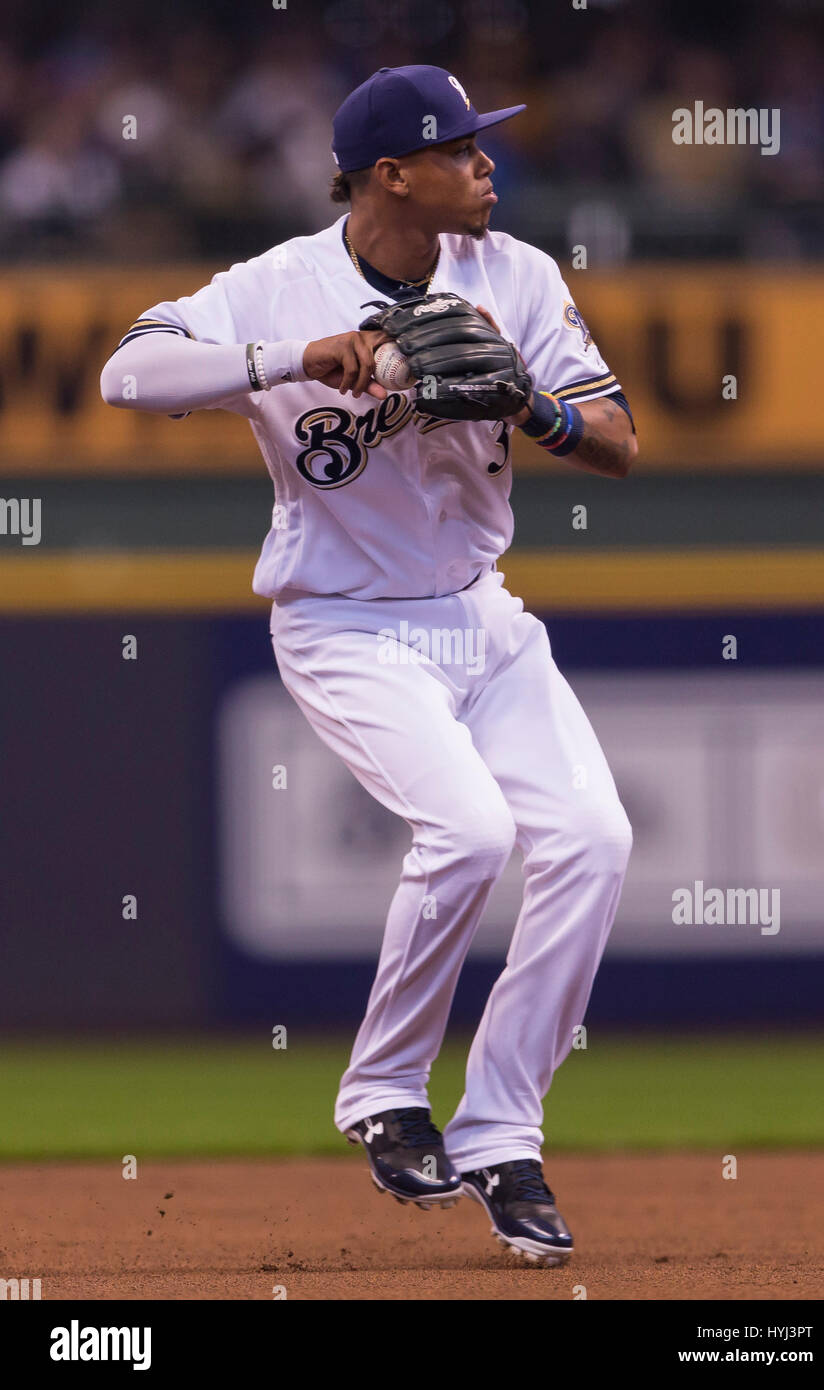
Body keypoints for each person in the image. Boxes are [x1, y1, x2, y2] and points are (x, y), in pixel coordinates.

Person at [101, 64, 636, 1268]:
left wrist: (539, 412)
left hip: (479, 616)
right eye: (464, 149)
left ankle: (502, 1133)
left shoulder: (517, 276)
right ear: (392, 173)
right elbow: (122, 373)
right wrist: (293, 356)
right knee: (468, 832)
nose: (489, 165)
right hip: (342, 621)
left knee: (593, 842)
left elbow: (618, 440)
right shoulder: (278, 284)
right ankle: (385, 1096)